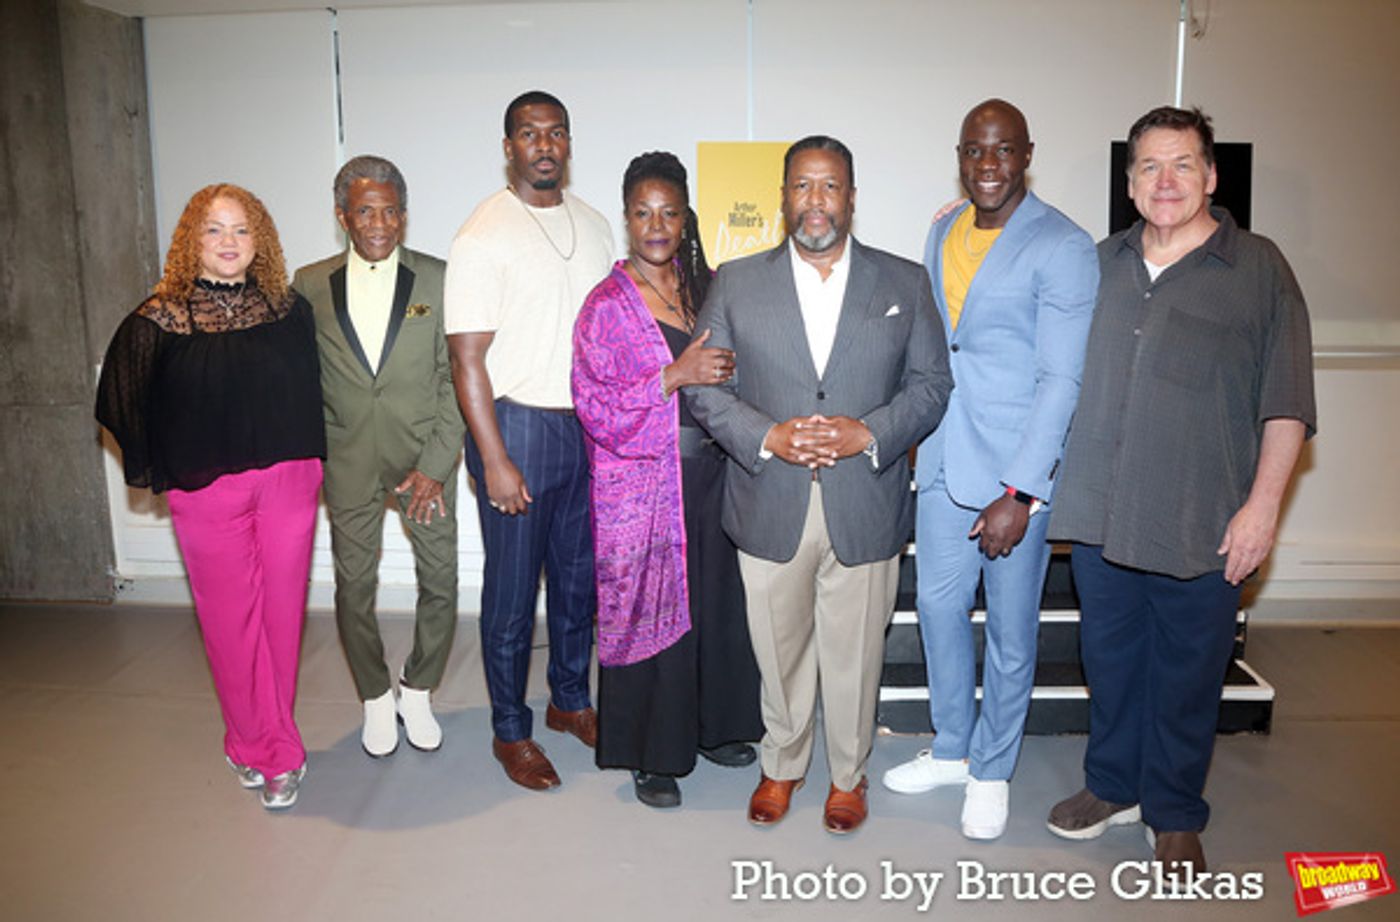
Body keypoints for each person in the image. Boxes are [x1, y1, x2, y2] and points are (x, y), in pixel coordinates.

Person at [1045, 107, 1315, 873]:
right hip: (1102, 513)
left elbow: (1287, 399)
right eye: (1150, 168)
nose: (1166, 182)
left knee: (1189, 674)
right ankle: (1111, 786)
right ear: (1130, 184)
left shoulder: (1258, 268)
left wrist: (1263, 509)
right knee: (1113, 663)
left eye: (1183, 165)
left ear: (1211, 175)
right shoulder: (1097, 263)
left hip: (1205, 518)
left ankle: (1172, 809)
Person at [687, 136, 952, 833]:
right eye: (802, 187)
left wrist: (869, 433)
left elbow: (932, 387)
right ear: (782, 198)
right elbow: (706, 390)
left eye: (829, 187)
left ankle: (847, 775)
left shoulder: (903, 283)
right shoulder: (737, 281)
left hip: (865, 498)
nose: (815, 201)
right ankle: (781, 766)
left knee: (855, 652)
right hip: (769, 496)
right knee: (779, 650)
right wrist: (765, 436)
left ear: (852, 198)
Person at [882, 100, 1098, 840]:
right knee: (940, 611)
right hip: (943, 455)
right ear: (961, 155)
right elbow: (945, 343)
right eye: (975, 150)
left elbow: (1062, 381)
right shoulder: (942, 227)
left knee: (1009, 630)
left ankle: (992, 768)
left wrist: (1022, 491)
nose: (988, 165)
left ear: (1026, 155)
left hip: (1014, 475)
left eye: (1003, 150)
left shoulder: (1064, 245)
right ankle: (951, 746)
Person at [96, 184, 325, 810]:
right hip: (205, 491)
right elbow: (117, 400)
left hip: (289, 482)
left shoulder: (288, 310)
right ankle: (253, 738)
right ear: (191, 240)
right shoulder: (160, 317)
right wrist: (164, 461)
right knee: (230, 627)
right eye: (215, 230)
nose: (229, 243)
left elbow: (314, 394)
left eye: (242, 230)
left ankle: (274, 750)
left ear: (262, 241)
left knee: (279, 619)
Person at [572, 151, 764, 809]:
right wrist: (670, 376)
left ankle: (717, 727)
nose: (656, 225)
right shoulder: (606, 305)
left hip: (714, 476)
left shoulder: (707, 288)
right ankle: (651, 753)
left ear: (686, 218)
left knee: (716, 604)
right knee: (649, 613)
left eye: (669, 212)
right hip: (647, 486)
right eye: (642, 212)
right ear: (627, 219)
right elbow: (592, 403)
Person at [445, 91, 613, 790]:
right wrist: (493, 460)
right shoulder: (483, 233)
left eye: (556, 133)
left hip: (587, 427)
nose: (544, 145)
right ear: (509, 146)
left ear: (568, 144)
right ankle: (510, 729)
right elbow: (466, 359)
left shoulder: (598, 226)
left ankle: (569, 700)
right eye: (528, 134)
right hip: (515, 426)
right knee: (513, 597)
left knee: (579, 587)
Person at [293, 156, 465, 758]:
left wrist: (436, 465)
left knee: (441, 581)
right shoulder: (309, 285)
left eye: (391, 210)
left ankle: (417, 689)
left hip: (426, 463)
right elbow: (300, 379)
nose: (380, 223)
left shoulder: (440, 279)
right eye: (366, 210)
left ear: (405, 215)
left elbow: (458, 379)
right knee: (353, 586)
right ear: (343, 216)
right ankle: (373, 695)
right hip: (348, 463)